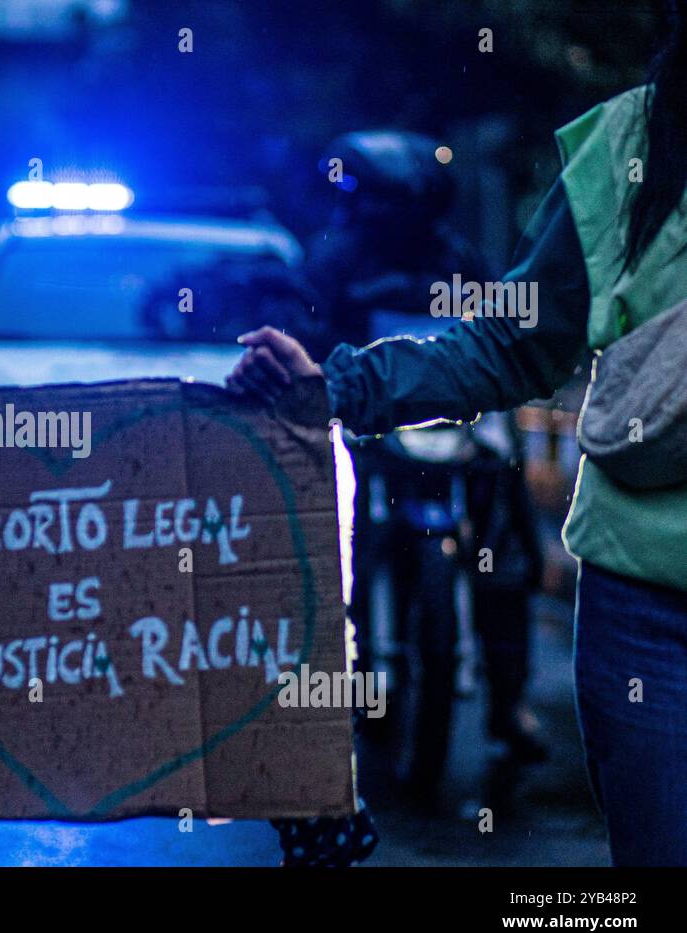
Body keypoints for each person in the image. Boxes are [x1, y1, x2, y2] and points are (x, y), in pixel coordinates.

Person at [227, 0, 687, 865]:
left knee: (504, 523)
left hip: (546, 523)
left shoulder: (449, 251)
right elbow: (509, 341)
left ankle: (507, 694)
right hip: (646, 606)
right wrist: (332, 384)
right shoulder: (632, 149)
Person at [307, 130, 548, 775]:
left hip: (456, 433)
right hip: (369, 440)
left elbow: (508, 331)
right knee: (324, 547)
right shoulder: (333, 262)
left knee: (507, 539)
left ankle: (508, 703)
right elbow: (313, 337)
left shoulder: (460, 258)